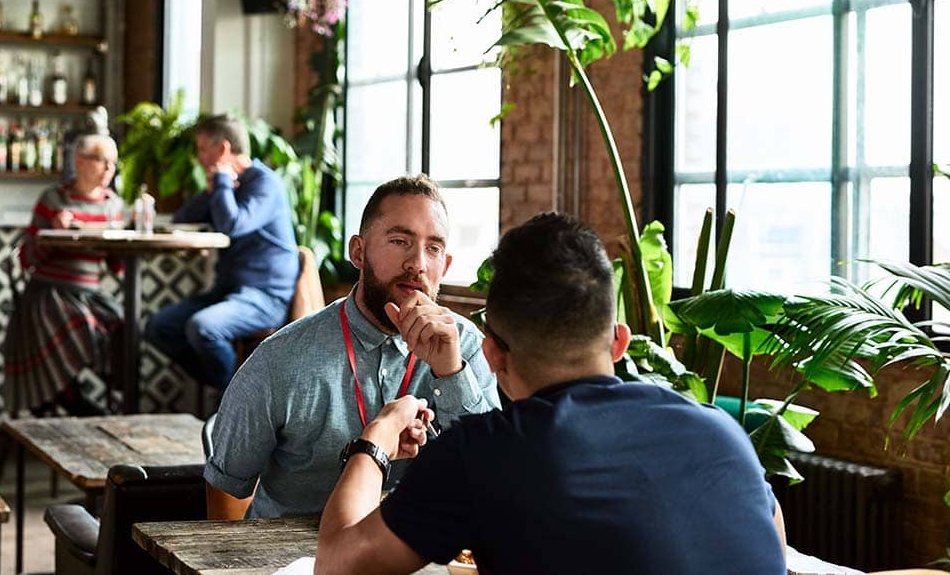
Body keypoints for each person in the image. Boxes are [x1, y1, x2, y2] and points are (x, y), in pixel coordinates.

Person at [315, 212, 788, 575]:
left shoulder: (484, 455)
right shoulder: (723, 432)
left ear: (494, 355)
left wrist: (375, 439)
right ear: (619, 342)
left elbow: (338, 563)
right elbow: (773, 536)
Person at [204, 175, 501, 518]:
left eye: (433, 248)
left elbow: (492, 477)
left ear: (445, 266)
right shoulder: (280, 360)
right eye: (399, 241)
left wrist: (451, 373)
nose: (417, 263)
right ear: (358, 252)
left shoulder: (465, 346)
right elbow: (226, 490)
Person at [144, 113, 299, 390]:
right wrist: (212, 190)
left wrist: (224, 184)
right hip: (228, 293)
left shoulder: (265, 183)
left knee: (203, 328)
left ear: (224, 149)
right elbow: (183, 219)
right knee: (159, 327)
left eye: (203, 148)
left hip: (265, 297)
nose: (199, 156)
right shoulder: (225, 186)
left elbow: (232, 225)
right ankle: (228, 389)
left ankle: (233, 405)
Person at [4, 133, 125, 417]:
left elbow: (116, 266)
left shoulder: (113, 206)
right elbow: (27, 259)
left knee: (124, 322)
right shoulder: (53, 199)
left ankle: (116, 396)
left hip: (89, 292)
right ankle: (67, 393)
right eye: (101, 160)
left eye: (113, 163)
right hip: (49, 291)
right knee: (78, 322)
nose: (109, 169)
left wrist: (118, 239)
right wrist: (54, 233)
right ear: (79, 162)